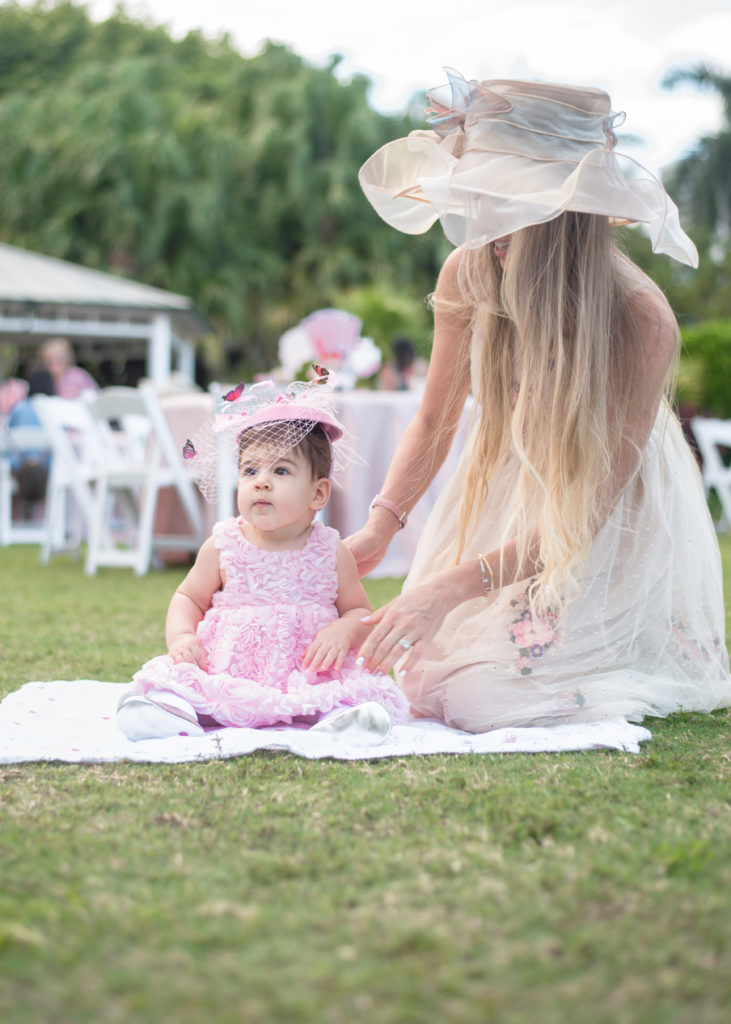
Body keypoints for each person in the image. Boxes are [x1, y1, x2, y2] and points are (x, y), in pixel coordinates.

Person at [348, 72, 731, 732]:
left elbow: (586, 515)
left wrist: (447, 588)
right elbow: (435, 418)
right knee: (418, 676)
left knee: (486, 698)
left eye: (509, 198)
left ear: (567, 212)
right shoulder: (469, 269)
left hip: (603, 521)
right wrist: (380, 529)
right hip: (509, 493)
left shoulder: (640, 319)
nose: (487, 220)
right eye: (480, 192)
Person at [116, 374, 410, 742]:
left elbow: (358, 611)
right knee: (188, 684)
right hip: (228, 668)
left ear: (318, 494)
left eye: (281, 470)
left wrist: (342, 630)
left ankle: (343, 719)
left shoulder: (331, 551)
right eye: (250, 470)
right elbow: (188, 597)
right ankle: (168, 711)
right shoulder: (224, 544)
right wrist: (181, 636)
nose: (262, 481)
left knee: (343, 692)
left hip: (307, 671)